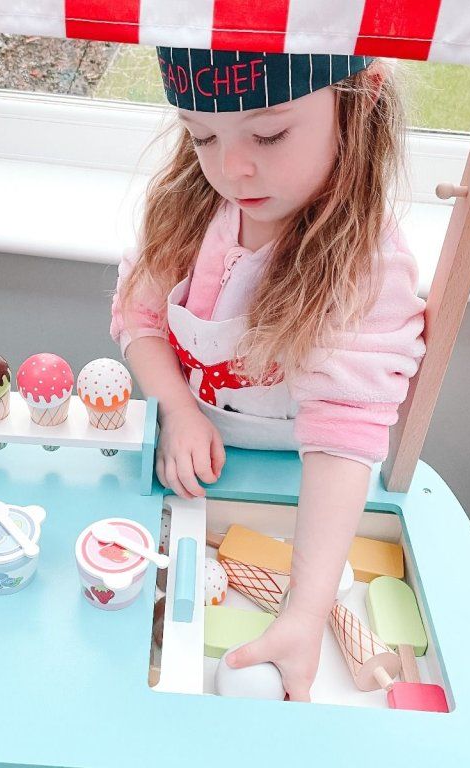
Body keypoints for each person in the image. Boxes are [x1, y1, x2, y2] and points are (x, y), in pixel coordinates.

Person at [110, 48, 426, 701]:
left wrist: (306, 615)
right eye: (202, 136)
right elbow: (139, 317)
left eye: (270, 134)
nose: (231, 168)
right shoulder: (190, 208)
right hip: (199, 467)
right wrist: (176, 408)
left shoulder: (368, 265)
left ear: (362, 97)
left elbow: (344, 431)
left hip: (304, 487)